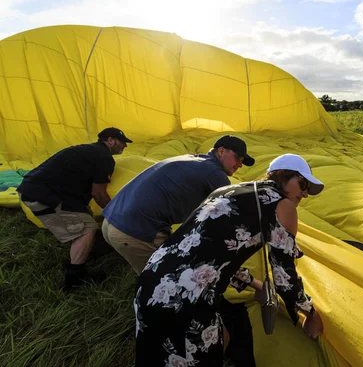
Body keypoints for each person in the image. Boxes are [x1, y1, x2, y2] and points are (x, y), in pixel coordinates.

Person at [134, 154, 325, 367]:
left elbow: (212, 256)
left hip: (152, 283)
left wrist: (256, 285)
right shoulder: (282, 206)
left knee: (161, 354)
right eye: (302, 184)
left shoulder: (226, 191)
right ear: (281, 175)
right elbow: (284, 278)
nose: (305, 194)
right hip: (186, 299)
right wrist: (310, 313)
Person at [101, 135, 255, 275]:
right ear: (221, 151)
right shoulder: (214, 173)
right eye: (238, 158)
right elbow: (235, 213)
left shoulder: (192, 160)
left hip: (110, 222)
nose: (240, 165)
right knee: (166, 280)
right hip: (132, 232)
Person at [17, 127, 131, 291]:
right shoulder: (104, 158)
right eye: (122, 142)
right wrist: (115, 214)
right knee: (87, 229)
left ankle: (87, 252)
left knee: (84, 216)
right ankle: (75, 278)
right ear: (110, 140)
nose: (125, 146)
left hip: (32, 189)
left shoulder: (86, 151)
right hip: (44, 196)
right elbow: (98, 193)